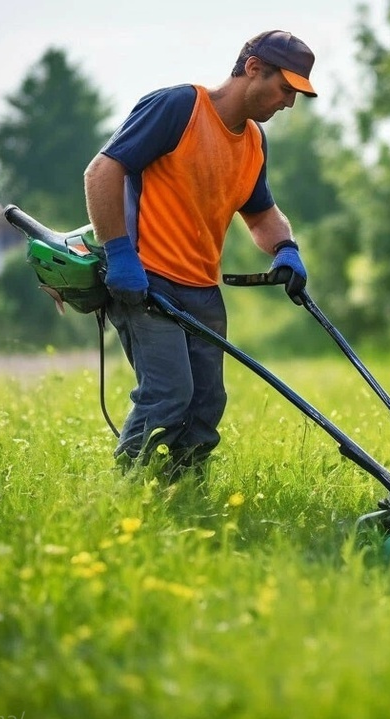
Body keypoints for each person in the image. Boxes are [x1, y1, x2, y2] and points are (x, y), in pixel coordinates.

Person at [83, 30, 317, 480]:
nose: (288, 103)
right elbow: (102, 170)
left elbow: (261, 213)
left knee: (206, 405)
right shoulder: (179, 107)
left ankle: (183, 495)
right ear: (253, 69)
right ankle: (125, 492)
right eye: (285, 88)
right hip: (146, 279)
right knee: (168, 395)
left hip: (203, 290)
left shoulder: (252, 141)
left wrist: (286, 249)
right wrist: (119, 253)